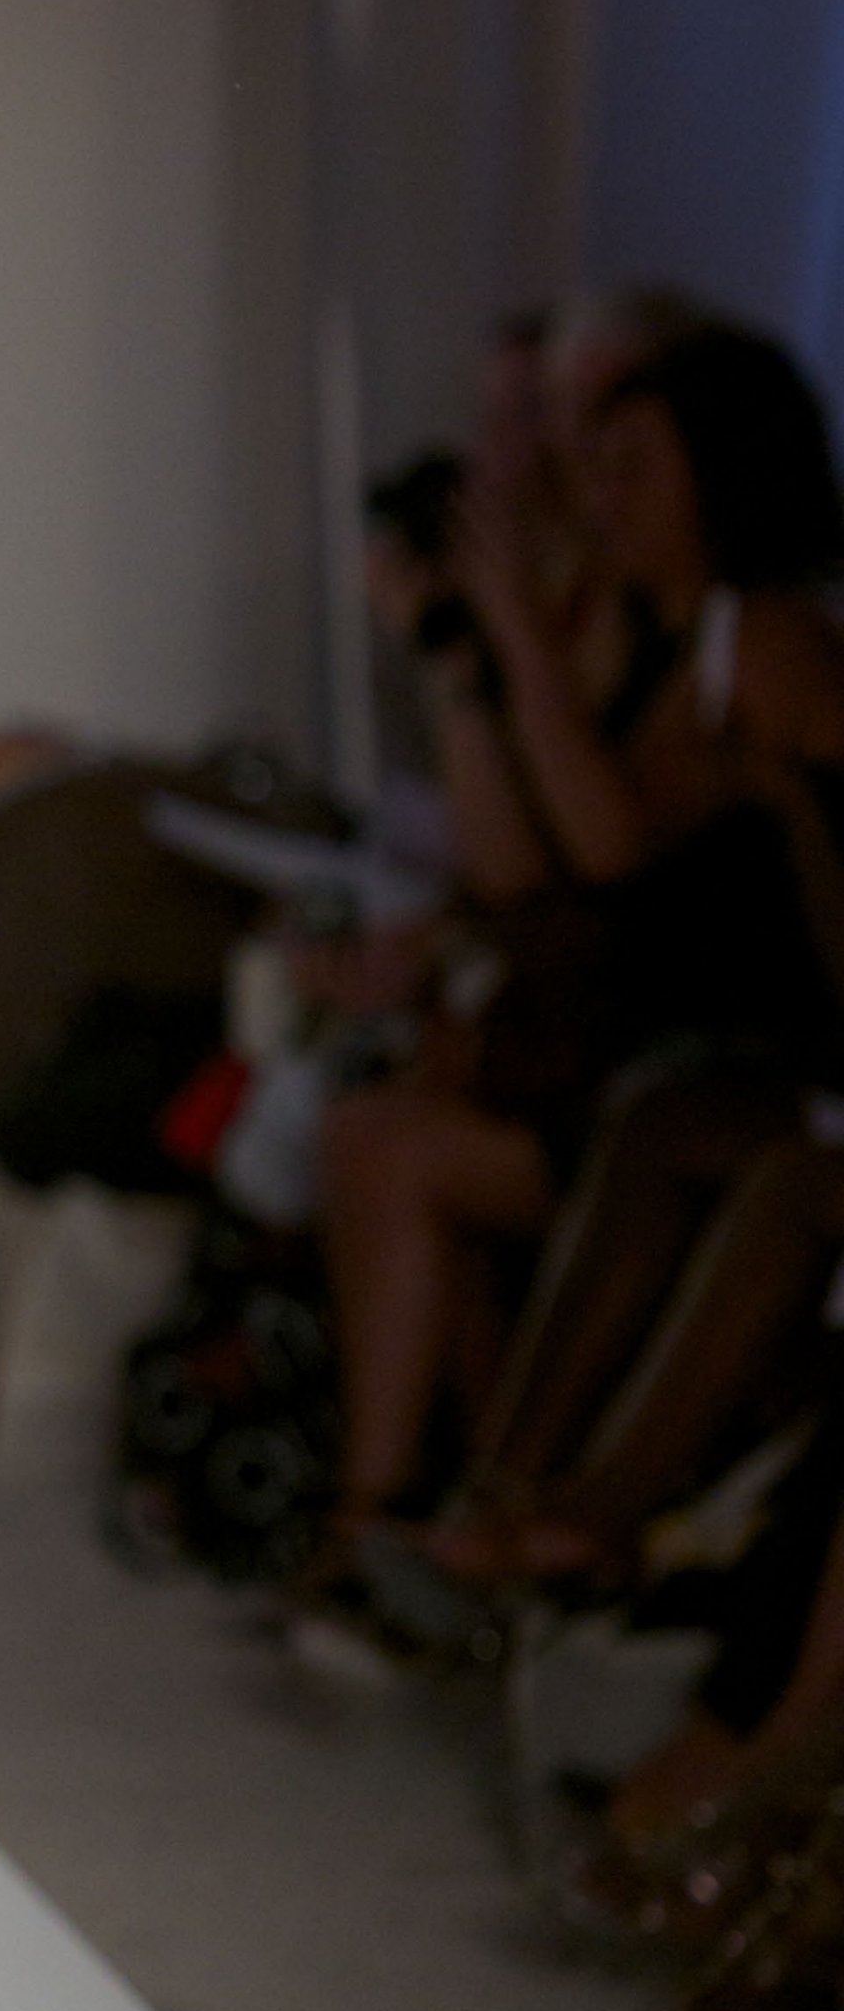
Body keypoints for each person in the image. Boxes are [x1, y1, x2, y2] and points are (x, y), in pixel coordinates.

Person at [314, 316, 844, 1552]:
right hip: (646, 1057)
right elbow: (517, 867)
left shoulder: (764, 641)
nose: (598, 497)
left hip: (744, 1061)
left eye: (631, 469)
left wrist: (511, 629)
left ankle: (496, 1522)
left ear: (721, 476)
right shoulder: (639, 631)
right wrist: (463, 660)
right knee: (407, 1124)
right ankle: (459, 1515)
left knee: (590, 1133)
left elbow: (609, 851)